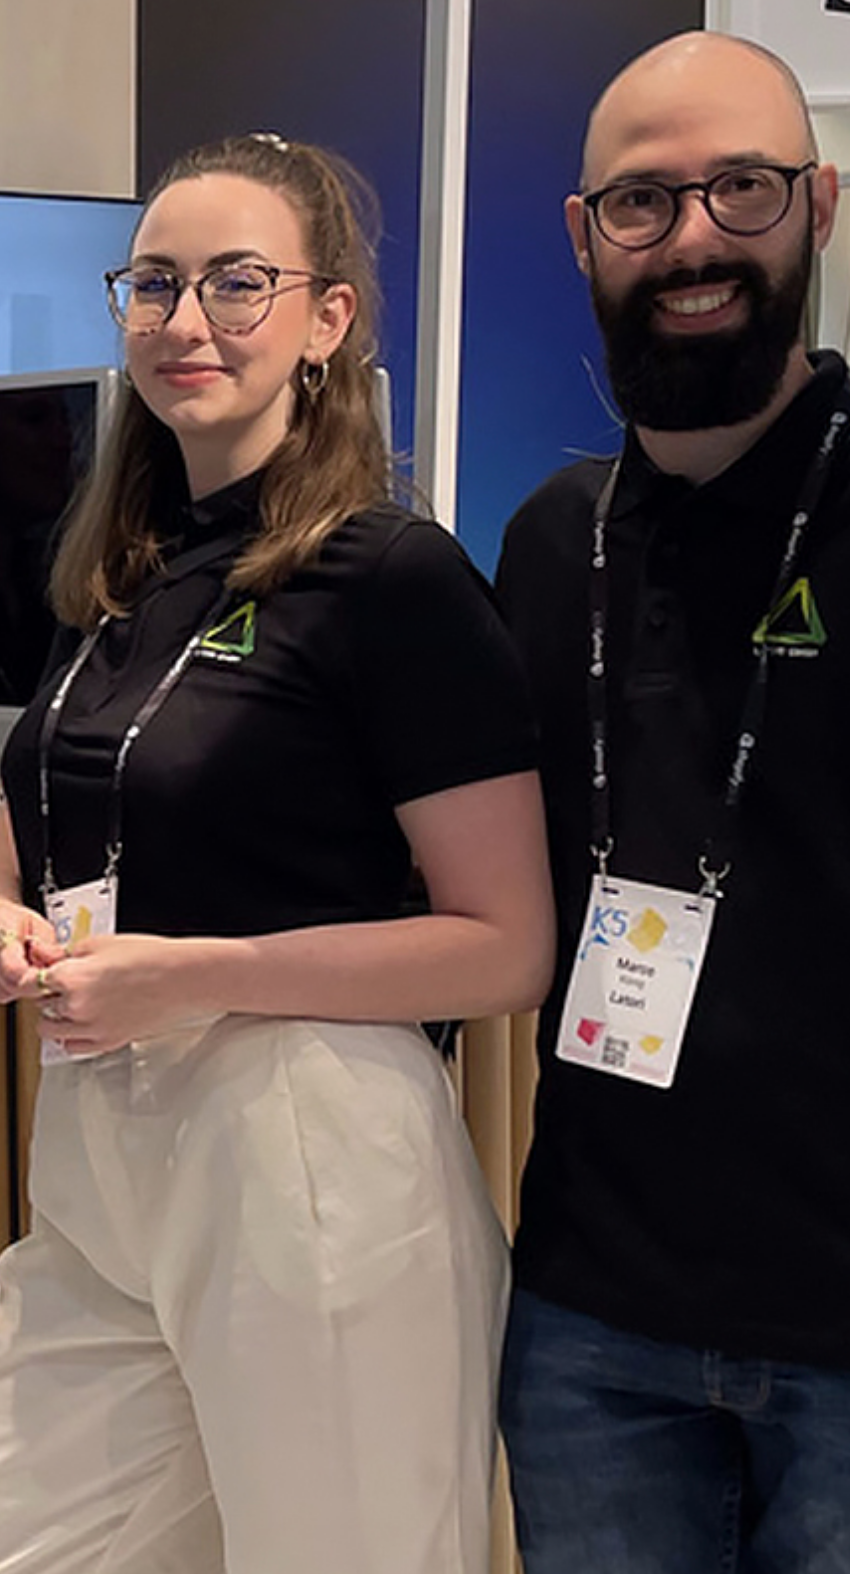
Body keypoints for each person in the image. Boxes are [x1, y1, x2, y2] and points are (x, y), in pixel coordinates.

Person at [0, 134, 553, 1574]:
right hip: (101, 1154)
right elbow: (23, 830)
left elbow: (504, 942)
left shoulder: (391, 576)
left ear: (328, 319)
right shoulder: (110, 574)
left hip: (310, 1154)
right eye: (158, 284)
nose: (188, 322)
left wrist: (199, 977)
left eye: (239, 284)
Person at [493, 32, 850, 1574]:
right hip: (590, 1325)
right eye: (641, 203)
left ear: (819, 207)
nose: (692, 238)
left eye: (742, 190)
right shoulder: (547, 539)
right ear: (582, 236)